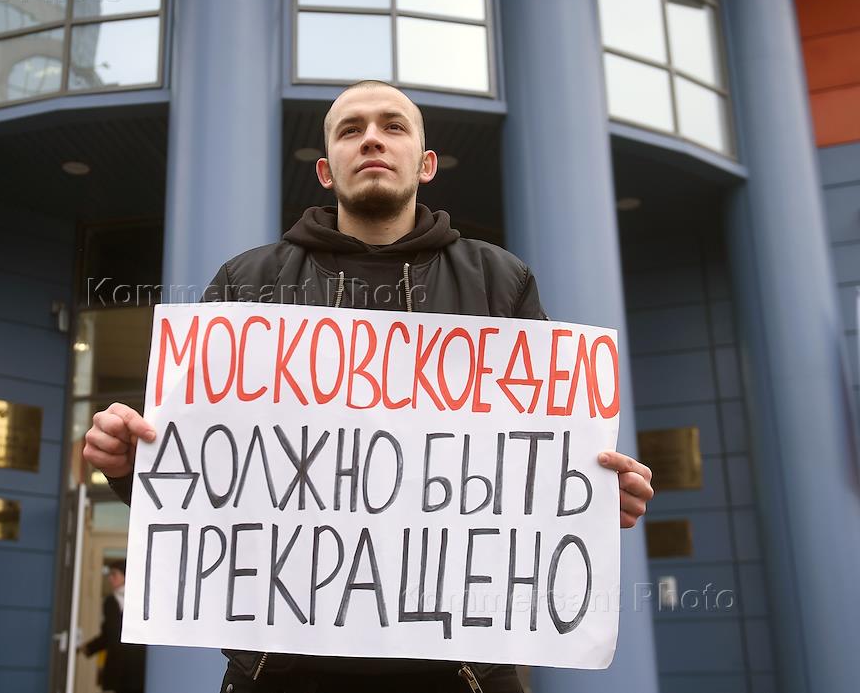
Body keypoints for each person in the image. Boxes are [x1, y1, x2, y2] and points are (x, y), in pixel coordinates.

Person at [83, 80, 655, 693]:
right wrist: (128, 466)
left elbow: (535, 456)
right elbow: (207, 478)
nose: (372, 140)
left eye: (393, 126)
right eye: (351, 130)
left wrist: (592, 498)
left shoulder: (500, 281)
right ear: (326, 171)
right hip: (281, 672)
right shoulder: (247, 284)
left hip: (462, 674)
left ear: (426, 163)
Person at [83, 558, 147, 693]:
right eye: (109, 575)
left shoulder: (141, 598)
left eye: (114, 574)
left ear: (125, 575)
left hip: (138, 663)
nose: (110, 579)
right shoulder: (110, 601)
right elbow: (109, 633)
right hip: (118, 664)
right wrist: (89, 648)